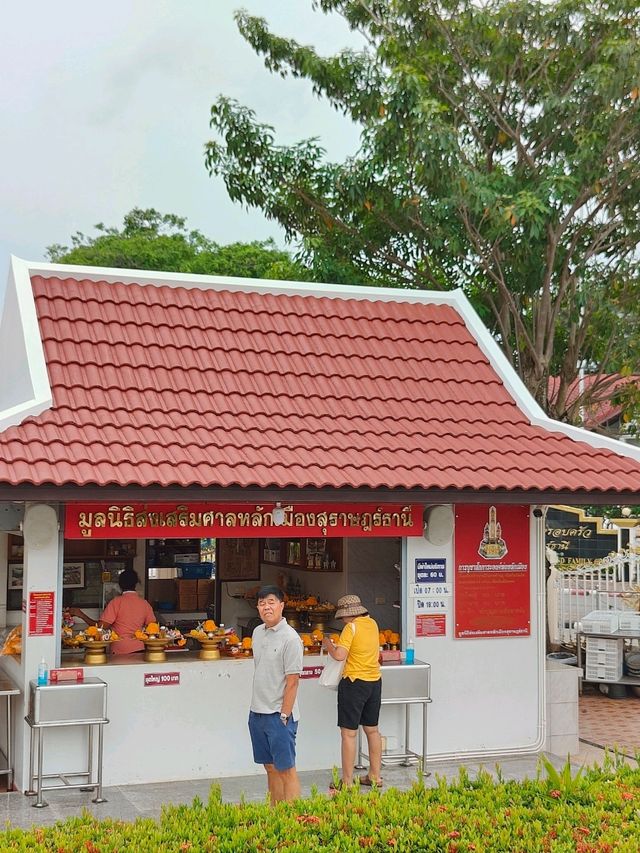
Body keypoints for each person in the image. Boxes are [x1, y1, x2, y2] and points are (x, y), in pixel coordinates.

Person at [321, 593, 383, 790]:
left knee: (349, 734)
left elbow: (340, 656)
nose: (342, 620)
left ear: (348, 615)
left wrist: (328, 644)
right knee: (372, 730)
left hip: (354, 683)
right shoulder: (372, 623)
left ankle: (347, 782)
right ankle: (375, 776)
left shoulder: (351, 627)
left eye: (342, 617)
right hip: (374, 682)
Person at [249, 584, 303, 803]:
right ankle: (276, 814)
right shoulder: (257, 632)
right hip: (257, 713)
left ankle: (294, 819)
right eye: (262, 603)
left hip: (279, 716)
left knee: (286, 769)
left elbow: (293, 682)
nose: (266, 607)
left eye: (271, 602)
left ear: (282, 605)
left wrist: (284, 715)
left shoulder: (290, 638)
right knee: (270, 767)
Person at [67, 568, 156, 655]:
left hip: (119, 650)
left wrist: (81, 614)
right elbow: (152, 629)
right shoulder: (144, 604)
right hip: (139, 649)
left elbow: (101, 627)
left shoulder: (116, 602)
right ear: (136, 584)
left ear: (120, 585)